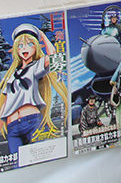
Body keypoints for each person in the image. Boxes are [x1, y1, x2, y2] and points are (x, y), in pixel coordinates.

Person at [0, 24, 70, 159]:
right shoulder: (11, 74)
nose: (24, 48)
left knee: (42, 159)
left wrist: (42, 36)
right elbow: (5, 102)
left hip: (31, 121)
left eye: (29, 44)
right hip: (12, 127)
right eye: (20, 45)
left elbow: (54, 58)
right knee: (16, 164)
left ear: (36, 47)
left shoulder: (35, 67)